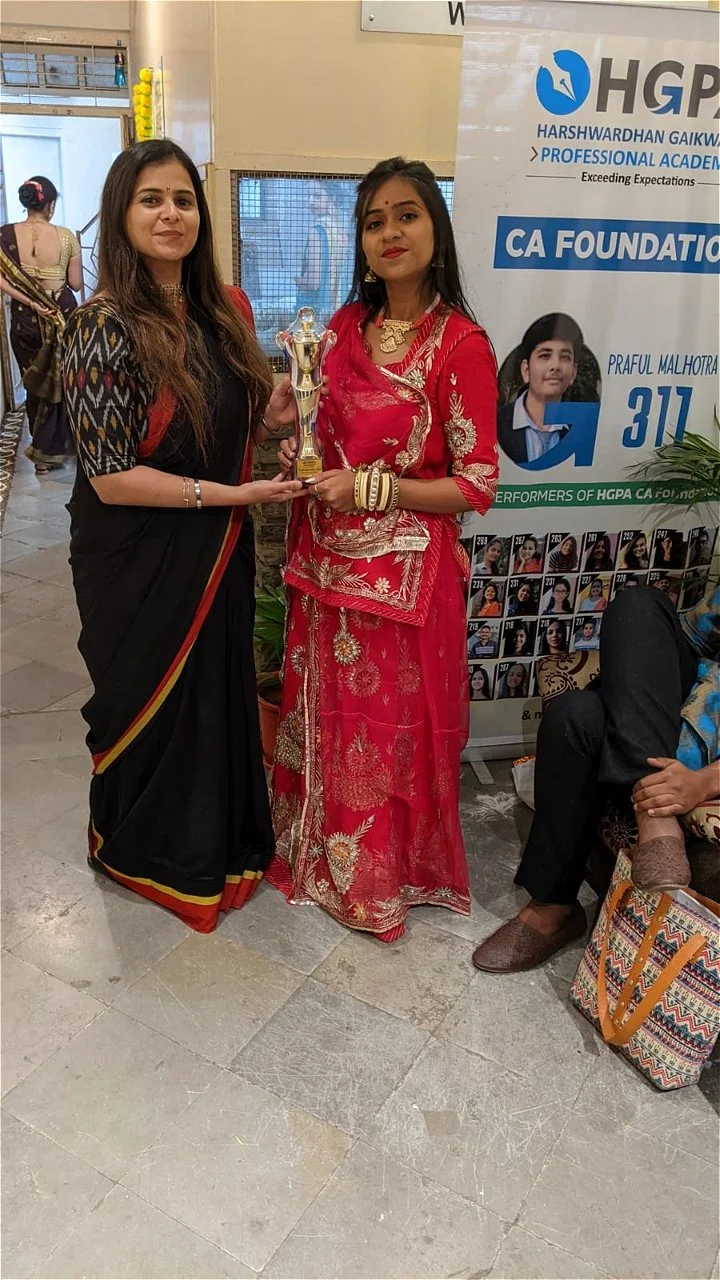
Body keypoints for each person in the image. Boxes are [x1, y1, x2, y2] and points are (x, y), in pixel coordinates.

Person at [62, 140, 303, 932]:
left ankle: (216, 845)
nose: (171, 214)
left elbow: (222, 427)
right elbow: (111, 476)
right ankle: (147, 849)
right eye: (151, 199)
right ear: (121, 214)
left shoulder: (221, 313)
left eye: (183, 199)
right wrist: (234, 494)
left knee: (211, 699)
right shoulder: (100, 325)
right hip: (135, 559)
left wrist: (270, 420)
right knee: (151, 704)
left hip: (214, 550)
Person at [270, 155, 499, 941]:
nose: (390, 233)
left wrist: (373, 489)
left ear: (436, 228)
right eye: (374, 221)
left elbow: (476, 484)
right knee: (325, 722)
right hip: (324, 563)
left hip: (400, 583)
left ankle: (377, 879)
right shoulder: (340, 328)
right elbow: (321, 435)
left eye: (407, 215)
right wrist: (297, 448)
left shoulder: (460, 345)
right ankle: (313, 853)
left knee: (379, 738)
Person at [471, 585, 720, 972]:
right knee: (638, 604)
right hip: (681, 712)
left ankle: (552, 909)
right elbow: (692, 636)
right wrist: (637, 671)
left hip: (706, 760)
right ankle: (654, 814)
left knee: (574, 716)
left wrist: (704, 782)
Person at [0, 175, 82, 473]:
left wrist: (31, 301)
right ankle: (68, 445)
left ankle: (42, 458)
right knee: (65, 381)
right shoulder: (66, 237)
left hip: (25, 319)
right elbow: (75, 283)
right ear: (50, 205)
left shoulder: (4, 235)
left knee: (35, 384)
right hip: (63, 317)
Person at [497, 313, 583, 465]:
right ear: (526, 370)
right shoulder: (495, 424)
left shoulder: (582, 429)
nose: (555, 366)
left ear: (573, 373)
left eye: (565, 357)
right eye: (545, 356)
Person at [295, 182, 348, 317]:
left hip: (314, 313)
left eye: (317, 196)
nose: (311, 201)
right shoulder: (341, 232)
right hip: (338, 310)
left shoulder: (316, 231)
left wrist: (297, 280)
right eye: (309, 196)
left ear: (332, 198)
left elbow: (313, 282)